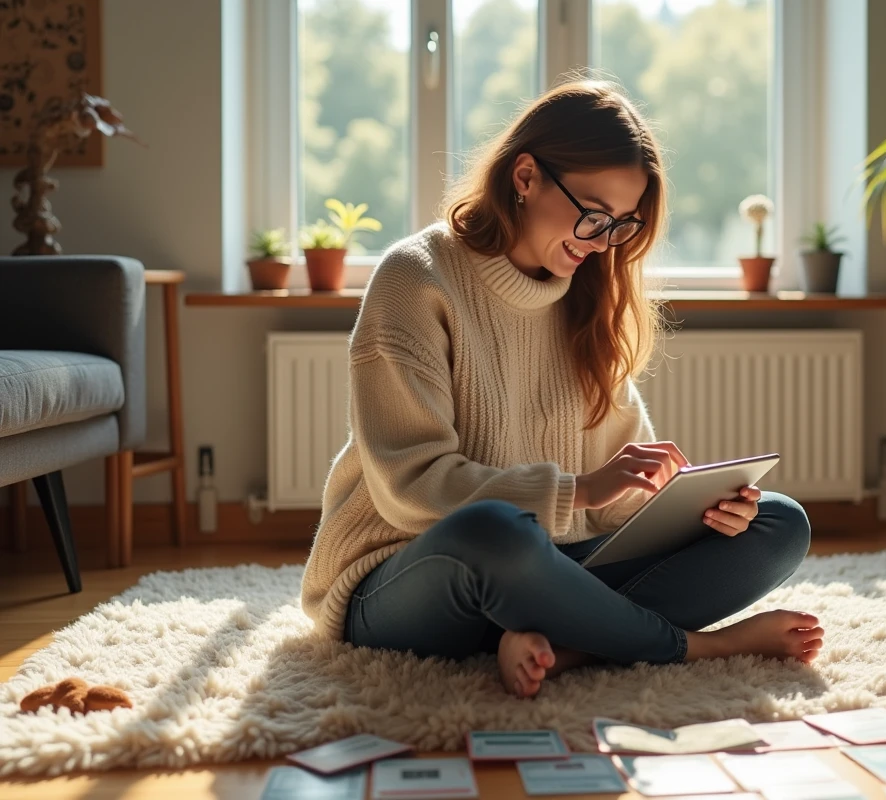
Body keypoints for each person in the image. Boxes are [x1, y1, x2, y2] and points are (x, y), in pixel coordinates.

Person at [300, 80, 823, 699]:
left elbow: (610, 510)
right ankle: (691, 647)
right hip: (408, 576)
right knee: (495, 534)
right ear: (526, 177)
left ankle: (566, 645)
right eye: (594, 214)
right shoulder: (415, 279)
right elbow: (409, 489)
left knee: (777, 522)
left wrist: (693, 510)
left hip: (548, 569)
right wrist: (579, 488)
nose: (603, 241)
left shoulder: (590, 297)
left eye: (621, 225)